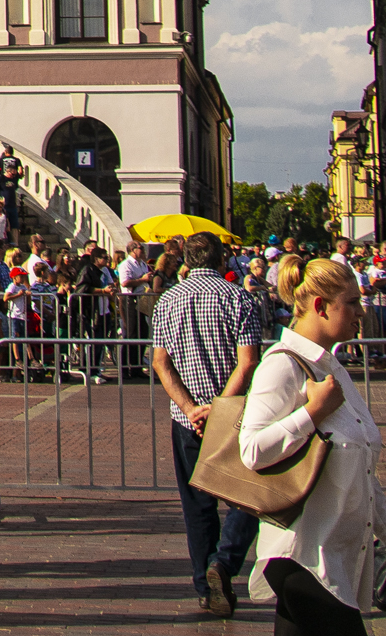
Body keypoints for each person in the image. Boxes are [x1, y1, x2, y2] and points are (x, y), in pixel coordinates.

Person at [241, 259, 386, 634]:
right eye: (353, 302)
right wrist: (311, 413)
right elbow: (252, 449)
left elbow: (364, 470)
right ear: (321, 306)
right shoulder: (282, 367)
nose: (362, 311)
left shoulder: (332, 367)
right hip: (304, 556)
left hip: (335, 556)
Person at [151, 229, 271, 618]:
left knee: (197, 504)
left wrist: (189, 408)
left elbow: (160, 362)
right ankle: (225, 562)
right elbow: (248, 360)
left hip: (186, 417)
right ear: (222, 261)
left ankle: (206, 586)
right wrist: (218, 407)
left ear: (186, 261)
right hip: (233, 414)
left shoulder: (167, 300)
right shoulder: (239, 298)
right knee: (249, 495)